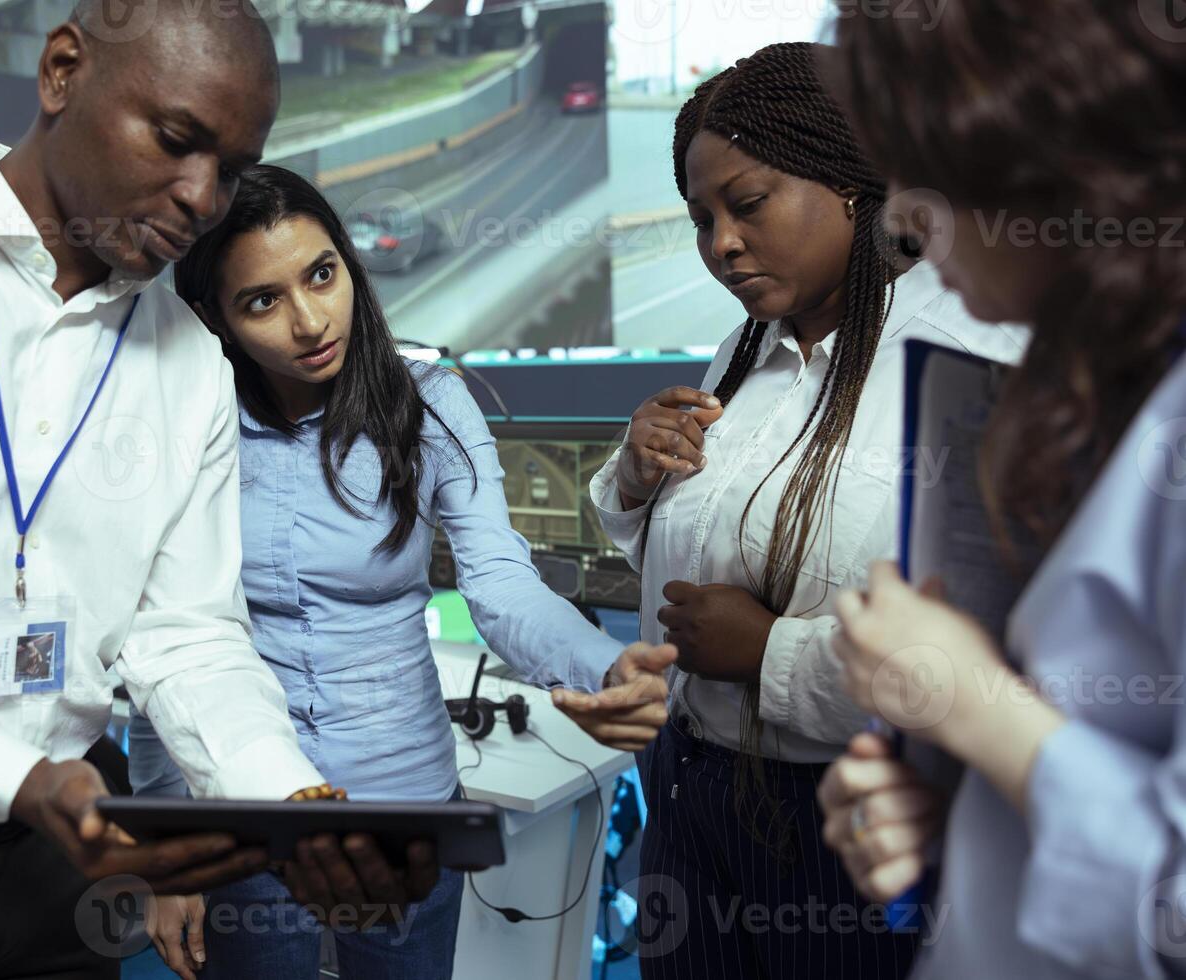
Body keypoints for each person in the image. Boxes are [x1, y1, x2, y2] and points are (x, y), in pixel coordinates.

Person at [0, 3, 426, 977]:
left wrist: (295, 807)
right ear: (60, 72)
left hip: (65, 883)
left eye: (229, 167)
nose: (200, 197)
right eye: (177, 141)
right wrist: (22, 778)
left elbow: (187, 638)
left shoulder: (188, 360)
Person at [126, 163, 677, 979]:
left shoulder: (432, 403)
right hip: (245, 811)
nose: (312, 320)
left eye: (322, 274)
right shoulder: (185, 426)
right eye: (262, 301)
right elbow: (167, 644)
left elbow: (499, 582)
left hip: (403, 811)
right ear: (213, 319)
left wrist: (603, 666)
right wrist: (167, 843)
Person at [560, 42, 1029, 980]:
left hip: (848, 830)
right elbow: (689, 549)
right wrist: (637, 475)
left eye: (749, 202)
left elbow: (989, 659)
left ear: (851, 182)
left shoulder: (965, 357)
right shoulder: (746, 350)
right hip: (692, 798)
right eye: (700, 219)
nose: (719, 244)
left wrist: (768, 653)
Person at [817, 3, 1186, 977]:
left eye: (919, 166)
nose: (899, 216)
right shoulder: (1096, 391)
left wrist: (973, 702)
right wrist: (960, 818)